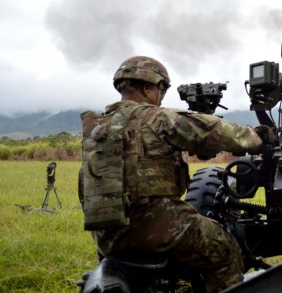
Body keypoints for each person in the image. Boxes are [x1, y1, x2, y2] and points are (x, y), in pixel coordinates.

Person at [79, 56, 264, 292]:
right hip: (153, 226)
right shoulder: (158, 118)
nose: (161, 96)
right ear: (148, 87)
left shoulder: (97, 129)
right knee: (224, 247)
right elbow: (217, 133)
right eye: (161, 89)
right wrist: (257, 138)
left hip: (107, 236)